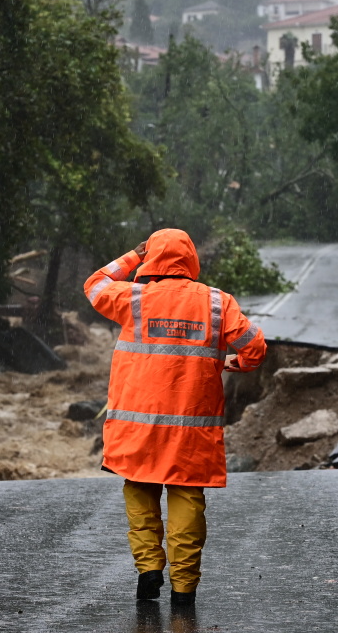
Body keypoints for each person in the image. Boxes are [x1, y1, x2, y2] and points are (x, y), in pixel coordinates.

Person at [83, 228, 267, 606]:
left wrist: (133, 256)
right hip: (191, 429)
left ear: (152, 259)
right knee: (186, 499)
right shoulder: (217, 302)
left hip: (139, 425)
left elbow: (94, 285)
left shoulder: (133, 298)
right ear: (191, 260)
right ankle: (184, 589)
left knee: (140, 490)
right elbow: (255, 347)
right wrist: (235, 364)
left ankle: (149, 568)